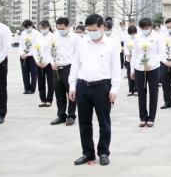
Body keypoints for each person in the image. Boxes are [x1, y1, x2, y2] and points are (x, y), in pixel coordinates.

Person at [69, 14, 122, 166]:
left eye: (94, 29)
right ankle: (88, 153)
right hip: (83, 85)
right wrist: (72, 85)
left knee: (104, 122)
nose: (91, 32)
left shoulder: (111, 44)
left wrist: (114, 89)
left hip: (102, 86)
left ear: (102, 27)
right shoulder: (82, 43)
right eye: (89, 30)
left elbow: (116, 68)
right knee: (84, 122)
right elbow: (76, 65)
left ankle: (104, 152)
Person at [130, 18, 162, 127]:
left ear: (151, 27)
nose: (145, 30)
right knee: (141, 93)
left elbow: (160, 54)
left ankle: (151, 117)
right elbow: (134, 54)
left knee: (153, 93)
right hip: (139, 68)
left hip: (153, 68)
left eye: (146, 28)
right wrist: (132, 69)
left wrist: (151, 64)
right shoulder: (138, 37)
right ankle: (142, 117)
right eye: (142, 28)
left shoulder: (157, 37)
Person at [50, 17, 79, 126]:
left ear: (68, 26)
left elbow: (79, 54)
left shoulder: (75, 38)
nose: (60, 30)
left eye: (62, 28)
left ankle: (71, 115)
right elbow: (50, 51)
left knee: (71, 92)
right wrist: (52, 62)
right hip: (56, 68)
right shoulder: (54, 37)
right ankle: (61, 115)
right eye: (58, 28)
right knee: (59, 93)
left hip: (69, 68)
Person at [33, 20, 55, 107]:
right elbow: (34, 49)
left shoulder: (53, 37)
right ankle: (42, 99)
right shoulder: (38, 37)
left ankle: (49, 99)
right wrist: (37, 60)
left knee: (50, 82)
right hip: (39, 63)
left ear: (48, 27)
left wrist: (47, 61)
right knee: (41, 82)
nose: (42, 29)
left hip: (49, 63)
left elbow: (52, 50)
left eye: (44, 28)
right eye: (41, 28)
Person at [18, 19, 39, 95]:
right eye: (25, 27)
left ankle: (32, 89)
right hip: (23, 56)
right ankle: (26, 88)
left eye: (27, 27)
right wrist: (21, 53)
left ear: (31, 26)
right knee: (25, 73)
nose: (26, 29)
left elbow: (36, 46)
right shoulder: (23, 33)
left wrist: (29, 54)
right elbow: (20, 45)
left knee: (34, 73)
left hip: (33, 56)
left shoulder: (36, 33)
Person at [124, 25, 137, 96]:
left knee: (136, 74)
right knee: (129, 74)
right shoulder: (126, 38)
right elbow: (126, 48)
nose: (132, 34)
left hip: (136, 59)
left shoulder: (138, 38)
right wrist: (128, 56)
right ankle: (130, 89)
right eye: (131, 33)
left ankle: (136, 89)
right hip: (129, 58)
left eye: (134, 33)